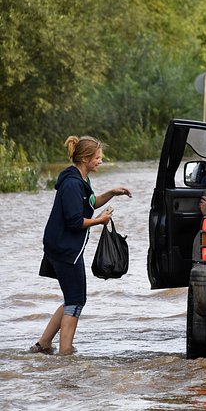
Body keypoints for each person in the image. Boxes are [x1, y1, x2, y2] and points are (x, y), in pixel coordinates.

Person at [30, 135, 132, 355]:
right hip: (65, 249)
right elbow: (75, 221)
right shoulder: (72, 184)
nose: (100, 161)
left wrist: (113, 193)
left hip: (63, 246)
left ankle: (44, 344)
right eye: (97, 157)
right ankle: (65, 353)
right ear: (85, 158)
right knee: (76, 300)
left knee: (72, 298)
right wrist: (100, 221)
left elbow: (91, 202)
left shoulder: (81, 180)